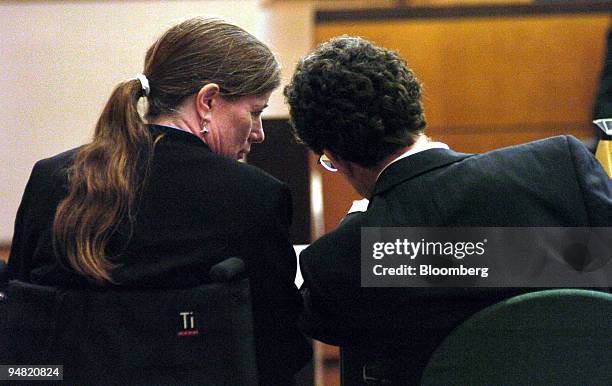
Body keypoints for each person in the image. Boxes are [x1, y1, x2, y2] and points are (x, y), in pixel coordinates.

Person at [284, 36, 612, 383]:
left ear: (334, 156)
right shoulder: (561, 168)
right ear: (411, 103)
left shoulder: (348, 257)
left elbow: (323, 320)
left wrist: (362, 227)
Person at [7, 17, 310, 384]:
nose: (259, 133)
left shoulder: (51, 178)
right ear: (208, 101)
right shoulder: (254, 195)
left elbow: (19, 321)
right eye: (255, 111)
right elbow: (279, 346)